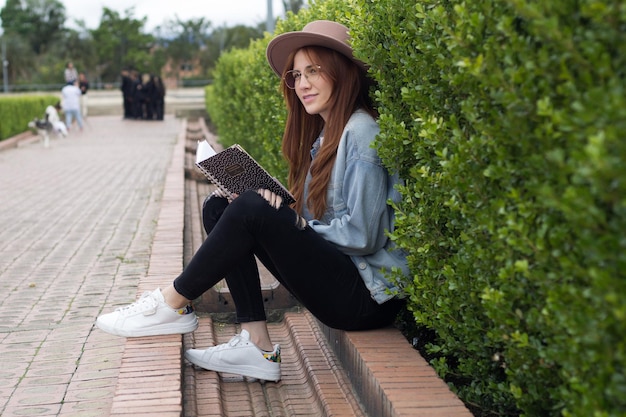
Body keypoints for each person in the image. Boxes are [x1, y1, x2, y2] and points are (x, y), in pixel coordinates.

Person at [95, 20, 409, 382]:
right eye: (296, 75)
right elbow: (315, 220)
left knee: (251, 208)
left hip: (366, 300)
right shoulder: (327, 135)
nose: (302, 84)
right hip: (344, 283)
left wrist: (293, 223)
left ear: (342, 73)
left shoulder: (362, 131)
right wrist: (280, 205)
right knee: (222, 206)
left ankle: (171, 302)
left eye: (313, 72)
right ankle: (255, 343)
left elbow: (362, 236)